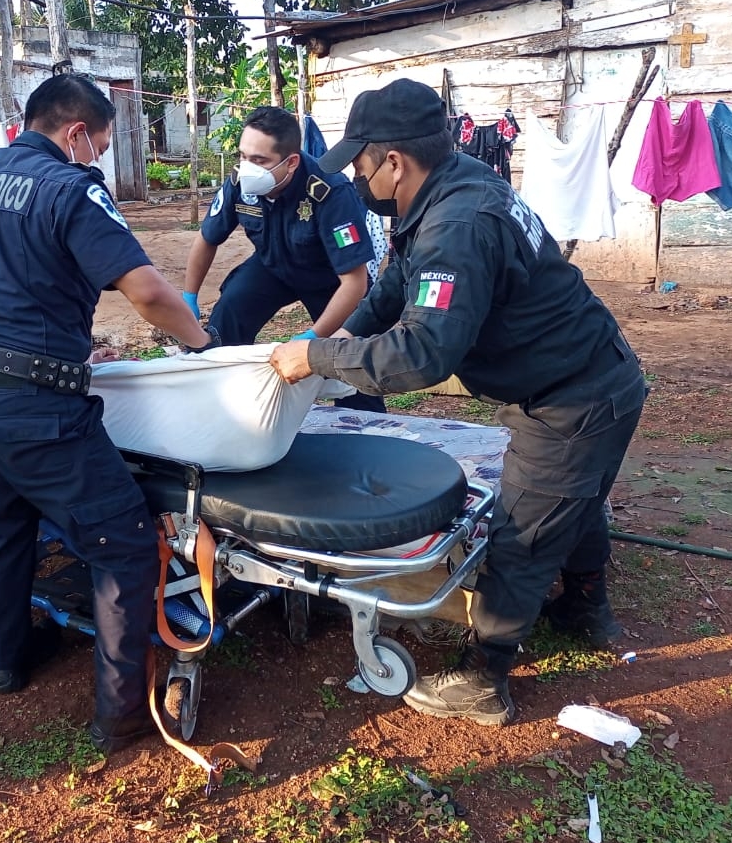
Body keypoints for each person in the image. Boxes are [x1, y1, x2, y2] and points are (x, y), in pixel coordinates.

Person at [268, 78, 645, 727]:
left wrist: (319, 359)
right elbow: (392, 290)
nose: (354, 178)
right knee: (574, 502)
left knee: (524, 531)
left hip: (573, 395)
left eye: (359, 164)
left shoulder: (458, 225)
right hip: (587, 377)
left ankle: (483, 678)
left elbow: (422, 353)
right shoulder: (448, 186)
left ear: (394, 162)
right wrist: (331, 337)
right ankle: (586, 610)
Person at [0, 73, 215, 753]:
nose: (97, 159)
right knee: (120, 546)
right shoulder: (71, 185)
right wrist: (204, 346)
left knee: (4, 526)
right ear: (76, 133)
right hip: (40, 407)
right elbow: (145, 291)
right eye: (101, 145)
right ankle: (119, 715)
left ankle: (8, 663)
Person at [182, 105, 385, 412]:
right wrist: (189, 296)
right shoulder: (241, 181)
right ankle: (218, 403)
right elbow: (207, 238)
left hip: (329, 278)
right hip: (273, 266)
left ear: (290, 162)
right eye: (243, 156)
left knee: (350, 356)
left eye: (259, 160)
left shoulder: (329, 191)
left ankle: (366, 424)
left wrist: (312, 337)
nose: (246, 167)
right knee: (229, 312)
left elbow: (354, 282)